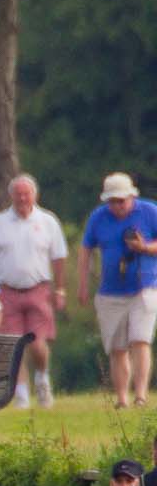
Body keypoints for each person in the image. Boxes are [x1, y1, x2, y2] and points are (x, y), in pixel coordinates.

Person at [0, 174, 69, 408]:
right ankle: (21, 393)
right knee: (14, 345)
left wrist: (60, 290)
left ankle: (42, 379)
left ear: (34, 195)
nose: (22, 198)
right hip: (6, 291)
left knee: (38, 343)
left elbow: (59, 257)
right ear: (11, 196)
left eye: (27, 193)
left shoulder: (47, 221)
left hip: (38, 290)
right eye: (18, 194)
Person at [78, 172, 157, 409]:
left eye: (121, 201)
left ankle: (141, 395)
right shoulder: (98, 218)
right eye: (113, 201)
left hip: (144, 285)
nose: (117, 206)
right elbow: (86, 250)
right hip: (111, 290)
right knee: (117, 346)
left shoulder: (149, 212)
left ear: (131, 197)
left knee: (140, 340)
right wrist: (82, 284)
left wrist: (143, 247)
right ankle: (122, 397)